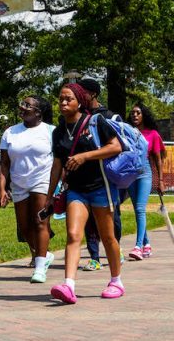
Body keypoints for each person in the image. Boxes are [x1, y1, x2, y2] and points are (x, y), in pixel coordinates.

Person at [46, 81, 125, 303]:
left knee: (108, 237)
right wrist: (50, 196)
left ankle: (116, 281)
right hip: (76, 190)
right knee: (73, 234)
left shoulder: (96, 122)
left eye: (68, 99)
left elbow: (115, 147)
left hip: (101, 187)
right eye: (60, 98)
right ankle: (69, 286)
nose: (63, 102)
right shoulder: (59, 131)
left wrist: (84, 156)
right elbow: (57, 166)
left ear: (79, 102)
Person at [0, 95, 54, 282]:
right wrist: (2, 189)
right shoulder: (10, 132)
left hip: (43, 181)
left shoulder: (51, 131)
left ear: (38, 112)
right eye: (21, 103)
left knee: (40, 222)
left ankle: (39, 268)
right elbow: (4, 164)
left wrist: (59, 185)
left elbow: (60, 160)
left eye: (26, 105)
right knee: (24, 227)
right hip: (19, 184)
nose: (21, 107)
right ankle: (44, 255)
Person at [78, 78, 122, 270]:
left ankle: (115, 251)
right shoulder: (78, 118)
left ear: (93, 94)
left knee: (112, 217)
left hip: (108, 176)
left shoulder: (110, 117)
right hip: (85, 175)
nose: (79, 96)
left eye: (82, 92)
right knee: (88, 220)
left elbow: (120, 146)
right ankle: (94, 257)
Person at [123, 103, 164, 260]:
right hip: (130, 173)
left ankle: (138, 246)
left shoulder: (152, 134)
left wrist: (160, 180)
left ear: (143, 115)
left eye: (138, 113)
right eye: (132, 113)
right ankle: (146, 243)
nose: (134, 115)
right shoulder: (126, 132)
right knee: (137, 210)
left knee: (140, 208)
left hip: (145, 172)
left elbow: (158, 160)